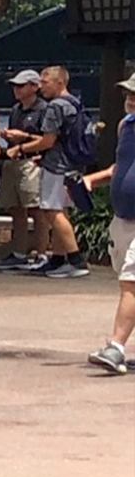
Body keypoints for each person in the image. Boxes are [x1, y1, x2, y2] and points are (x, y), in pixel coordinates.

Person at [13, 65, 91, 279]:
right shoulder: (75, 103)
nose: (41, 86)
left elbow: (48, 140)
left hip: (57, 166)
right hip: (73, 164)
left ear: (60, 83)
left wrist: (20, 148)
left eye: (45, 82)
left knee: (51, 210)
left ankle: (76, 260)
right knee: (61, 210)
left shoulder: (55, 106)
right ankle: (58, 259)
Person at [87, 73, 135, 374]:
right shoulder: (125, 126)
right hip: (123, 217)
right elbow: (121, 166)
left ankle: (116, 347)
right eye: (129, 92)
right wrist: (93, 179)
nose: (131, 97)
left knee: (131, 283)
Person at [1, 70, 45, 263]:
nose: (16, 90)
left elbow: (49, 139)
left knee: (35, 209)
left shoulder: (44, 109)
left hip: (32, 162)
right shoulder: (15, 109)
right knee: (16, 209)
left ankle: (42, 254)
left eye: (21, 85)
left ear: (35, 87)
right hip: (13, 160)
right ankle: (19, 252)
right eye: (15, 86)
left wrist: (23, 137)